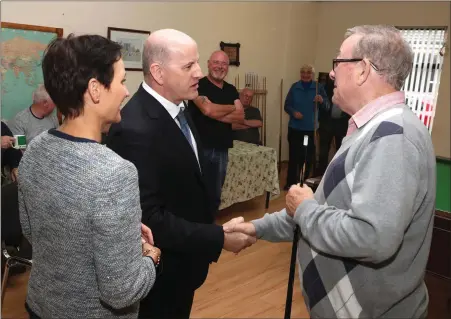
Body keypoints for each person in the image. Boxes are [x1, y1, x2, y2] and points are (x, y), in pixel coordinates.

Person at [225, 25, 435, 318]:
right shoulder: (370, 130)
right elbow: (324, 209)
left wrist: (305, 208)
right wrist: (257, 228)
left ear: (362, 70)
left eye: (338, 61)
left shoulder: (392, 137)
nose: (332, 73)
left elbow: (370, 237)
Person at [106, 29, 255, 319]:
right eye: (188, 66)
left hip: (184, 266)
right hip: (161, 274)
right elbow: (147, 218)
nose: (199, 73)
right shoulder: (134, 128)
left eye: (197, 63)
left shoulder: (179, 107)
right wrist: (218, 236)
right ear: (158, 73)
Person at [18, 34, 160, 319]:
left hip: (41, 306)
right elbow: (122, 291)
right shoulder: (115, 173)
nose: (126, 91)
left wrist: (117, 235)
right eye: (121, 81)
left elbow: (32, 231)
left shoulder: (35, 148)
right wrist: (149, 255)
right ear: (95, 89)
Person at [188, 50, 245, 212]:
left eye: (224, 64)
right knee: (197, 191)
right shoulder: (197, 85)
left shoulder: (231, 89)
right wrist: (231, 107)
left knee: (215, 193)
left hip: (222, 149)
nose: (220, 67)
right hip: (200, 148)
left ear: (228, 67)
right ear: (208, 63)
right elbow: (207, 110)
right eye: (216, 62)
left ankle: (210, 226)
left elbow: (240, 117)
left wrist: (214, 111)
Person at [284, 64, 329, 190]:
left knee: (306, 157)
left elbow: (327, 106)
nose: (305, 75)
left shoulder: (318, 88)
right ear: (300, 74)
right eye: (303, 72)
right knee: (293, 156)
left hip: (308, 131)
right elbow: (286, 105)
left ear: (312, 75)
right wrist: (293, 112)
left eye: (308, 73)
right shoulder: (295, 87)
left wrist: (321, 100)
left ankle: (303, 182)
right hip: (295, 129)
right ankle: (290, 183)